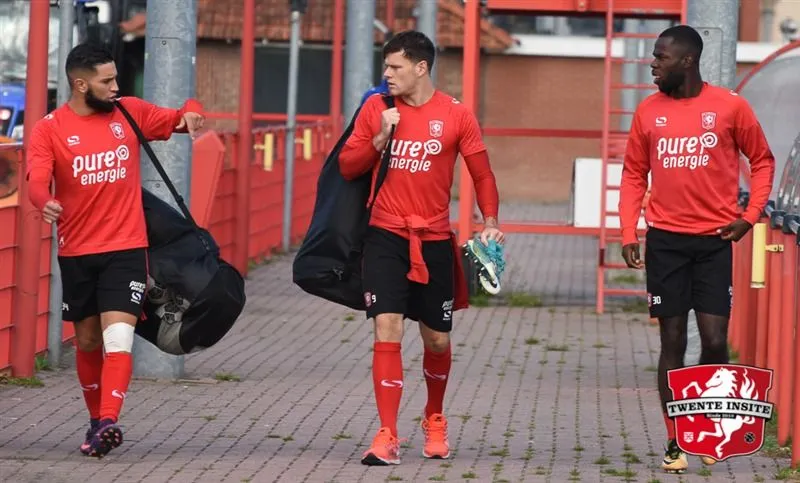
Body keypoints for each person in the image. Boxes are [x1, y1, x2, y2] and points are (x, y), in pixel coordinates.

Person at [26, 42, 204, 458]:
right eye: (107, 81)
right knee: (87, 341)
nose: (116, 86)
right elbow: (36, 179)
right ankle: (94, 423)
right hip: (77, 251)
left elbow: (181, 114)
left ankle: (109, 419)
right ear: (81, 84)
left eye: (116, 78)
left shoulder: (129, 111)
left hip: (127, 247)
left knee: (118, 336)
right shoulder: (49, 128)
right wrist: (42, 201)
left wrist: (193, 112)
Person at [338, 30, 504, 466]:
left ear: (420, 67)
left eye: (394, 67)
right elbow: (347, 165)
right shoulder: (377, 109)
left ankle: (434, 417)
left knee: (436, 338)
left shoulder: (455, 115)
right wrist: (378, 139)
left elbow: (482, 174)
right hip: (385, 235)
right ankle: (387, 434)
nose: (386, 74)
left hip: (432, 239)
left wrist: (490, 222)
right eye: (385, 67)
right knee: (386, 326)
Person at [618, 25, 775, 474]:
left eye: (660, 57)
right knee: (671, 341)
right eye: (653, 55)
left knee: (714, 342)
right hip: (665, 242)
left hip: (714, 244)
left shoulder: (730, 107)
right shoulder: (648, 112)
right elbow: (633, 174)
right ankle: (675, 440)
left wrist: (749, 217)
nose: (653, 63)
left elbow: (762, 161)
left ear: (687, 61)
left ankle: (704, 421)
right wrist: (629, 231)